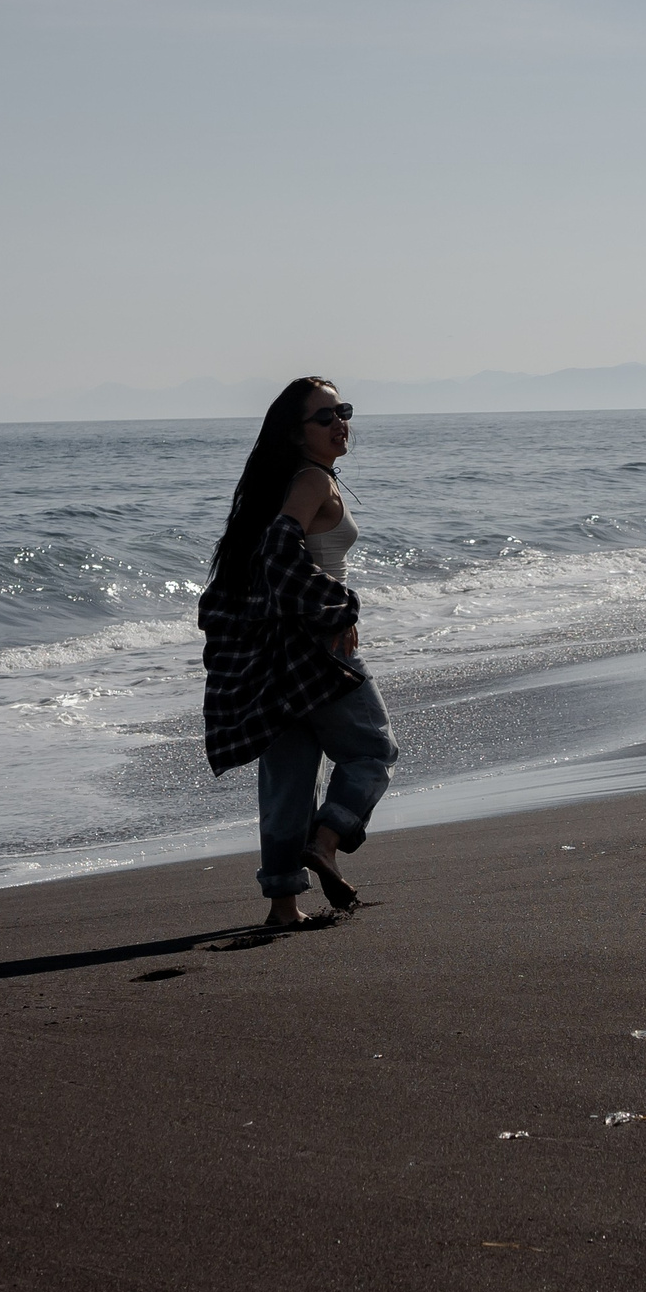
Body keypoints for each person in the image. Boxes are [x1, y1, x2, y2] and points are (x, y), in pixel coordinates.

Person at [198, 377, 397, 925]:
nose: (340, 424)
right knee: (372, 753)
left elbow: (255, 569)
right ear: (295, 433)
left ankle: (283, 905)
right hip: (320, 652)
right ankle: (326, 842)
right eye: (325, 417)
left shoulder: (278, 485)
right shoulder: (311, 481)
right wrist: (341, 606)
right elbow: (279, 560)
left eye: (344, 411)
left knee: (287, 779)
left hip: (277, 654)